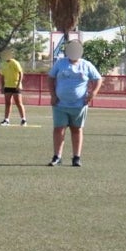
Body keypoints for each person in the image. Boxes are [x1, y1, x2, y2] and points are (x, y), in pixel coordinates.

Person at [46, 39, 102, 168]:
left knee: (76, 130)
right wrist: (53, 95)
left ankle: (76, 157)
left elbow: (98, 79)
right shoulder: (60, 63)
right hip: (60, 104)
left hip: (79, 105)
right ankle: (57, 157)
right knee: (59, 129)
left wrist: (93, 93)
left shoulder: (86, 65)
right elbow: (50, 78)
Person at [0, 49, 27, 126]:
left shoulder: (15, 62)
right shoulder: (3, 64)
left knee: (18, 103)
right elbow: (2, 75)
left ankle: (23, 120)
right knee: (8, 103)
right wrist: (2, 86)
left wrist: (18, 84)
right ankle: (6, 120)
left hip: (15, 85)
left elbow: (21, 73)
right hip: (7, 85)